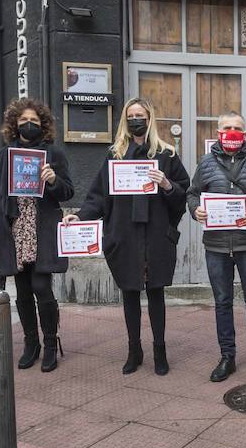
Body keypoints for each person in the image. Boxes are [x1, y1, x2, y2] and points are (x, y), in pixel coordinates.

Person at [70, 97, 189, 376]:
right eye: (132, 115)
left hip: (156, 235)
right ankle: (134, 350)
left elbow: (183, 195)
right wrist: (82, 216)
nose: (137, 120)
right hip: (124, 234)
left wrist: (167, 184)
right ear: (126, 120)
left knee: (156, 292)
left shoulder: (167, 154)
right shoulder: (115, 154)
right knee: (130, 294)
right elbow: (99, 195)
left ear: (150, 119)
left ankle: (160, 350)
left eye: (142, 115)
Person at [0, 98, 74, 372]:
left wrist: (53, 181)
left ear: (43, 124)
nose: (29, 124)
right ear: (14, 125)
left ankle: (49, 343)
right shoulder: (4, 154)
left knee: (41, 288)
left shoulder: (53, 154)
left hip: (41, 227)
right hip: (14, 229)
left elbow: (68, 191)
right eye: (23, 121)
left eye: (34, 120)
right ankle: (30, 343)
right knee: (22, 292)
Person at [189, 111, 246, 384]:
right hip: (216, 245)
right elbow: (193, 193)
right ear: (218, 133)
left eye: (237, 128)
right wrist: (196, 211)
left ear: (245, 134)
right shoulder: (205, 163)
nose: (232, 132)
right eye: (227, 128)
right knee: (222, 303)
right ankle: (227, 357)